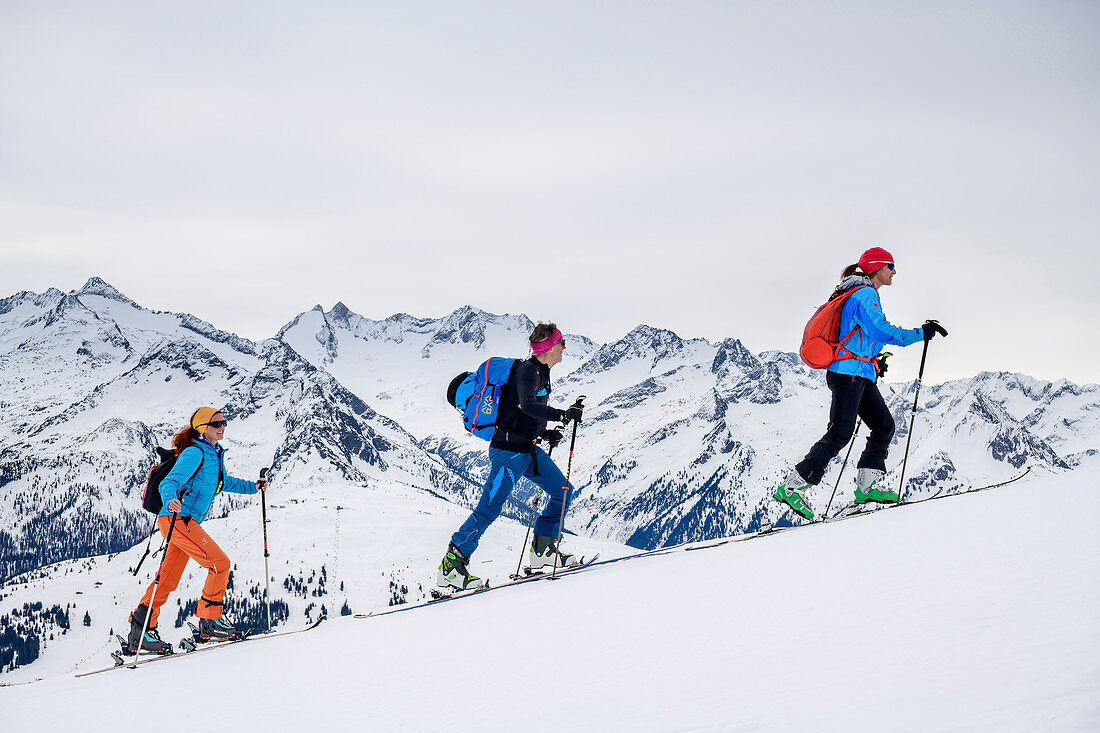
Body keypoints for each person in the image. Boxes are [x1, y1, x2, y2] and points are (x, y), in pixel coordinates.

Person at [774, 247, 947, 519]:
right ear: (877, 267)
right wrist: (920, 333)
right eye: (891, 266)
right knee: (840, 433)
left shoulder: (862, 293)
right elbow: (881, 330)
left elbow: (865, 338)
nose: (894, 271)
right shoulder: (865, 294)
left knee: (883, 425)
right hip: (848, 374)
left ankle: (866, 487)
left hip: (858, 372)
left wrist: (874, 361)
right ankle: (793, 485)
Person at [437, 323, 585, 590]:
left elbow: (521, 413)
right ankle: (452, 567)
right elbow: (528, 404)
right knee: (489, 509)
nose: (564, 347)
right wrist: (562, 415)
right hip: (507, 455)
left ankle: (543, 552)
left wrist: (544, 433)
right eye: (561, 342)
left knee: (562, 491)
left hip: (527, 450)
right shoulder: (528, 372)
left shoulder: (542, 372)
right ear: (549, 348)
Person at [126, 407, 268, 652]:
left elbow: (224, 482)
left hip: (183, 522)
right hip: (176, 519)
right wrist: (171, 498)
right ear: (202, 427)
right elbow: (170, 481)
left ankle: (141, 631)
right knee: (220, 564)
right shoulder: (194, 452)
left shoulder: (213, 453)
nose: (222, 427)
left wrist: (253, 487)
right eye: (216, 424)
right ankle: (210, 621)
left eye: (224, 422)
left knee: (167, 580)